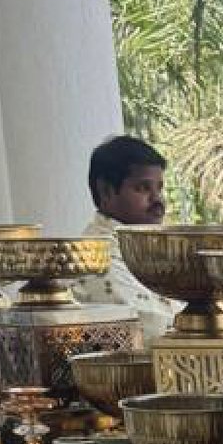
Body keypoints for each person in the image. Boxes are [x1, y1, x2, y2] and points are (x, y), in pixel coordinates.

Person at [75, 134, 177, 340]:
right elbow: (149, 329)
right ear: (106, 191)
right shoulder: (94, 260)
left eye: (160, 187)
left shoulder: (150, 250)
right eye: (143, 188)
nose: (158, 200)